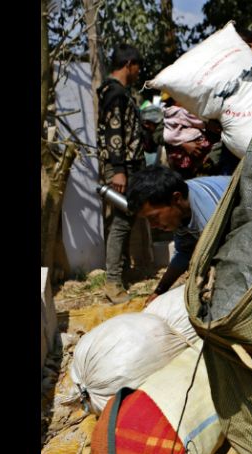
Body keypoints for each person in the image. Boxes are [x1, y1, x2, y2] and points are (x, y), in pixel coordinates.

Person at [126, 165, 230, 306]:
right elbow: (183, 253)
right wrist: (160, 291)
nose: (152, 225)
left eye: (154, 217)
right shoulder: (181, 208)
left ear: (176, 198)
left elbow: (229, 262)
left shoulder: (211, 215)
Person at [97, 43, 145, 303]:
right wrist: (118, 171)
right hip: (121, 168)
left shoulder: (117, 93)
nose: (139, 73)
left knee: (124, 220)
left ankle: (120, 273)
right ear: (129, 65)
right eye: (137, 67)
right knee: (121, 222)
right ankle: (113, 282)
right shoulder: (115, 94)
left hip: (125, 167)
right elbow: (115, 133)